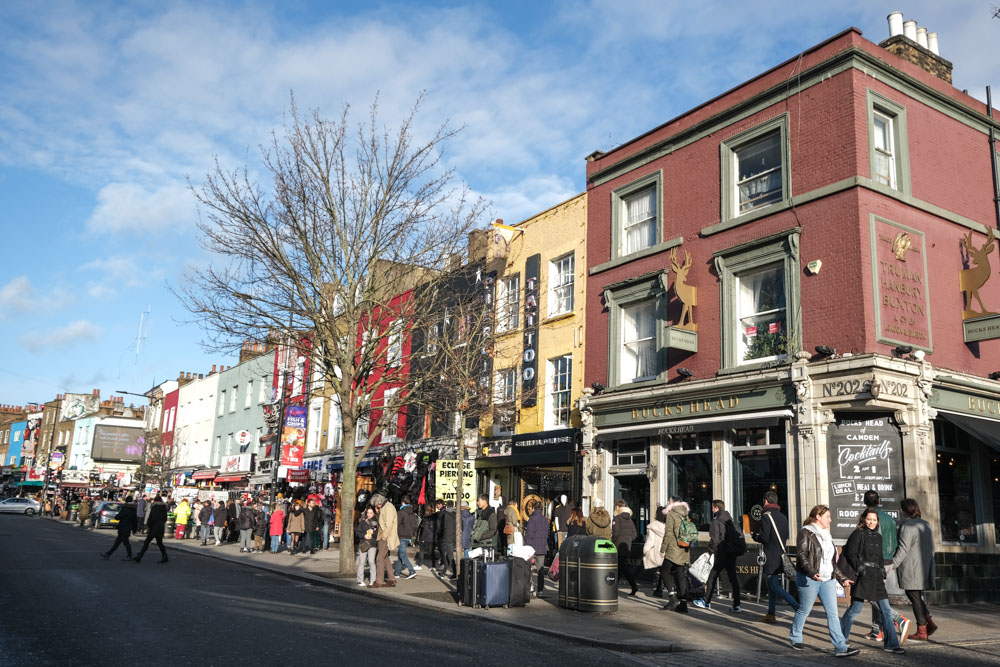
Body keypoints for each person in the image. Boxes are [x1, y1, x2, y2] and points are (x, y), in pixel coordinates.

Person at [788, 504, 859, 657]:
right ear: (818, 517)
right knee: (804, 609)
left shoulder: (827, 535)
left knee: (833, 613)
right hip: (810, 578)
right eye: (827, 517)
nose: (830, 520)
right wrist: (812, 572)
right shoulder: (806, 532)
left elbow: (831, 562)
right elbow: (801, 556)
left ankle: (840, 647)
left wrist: (842, 579)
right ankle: (795, 637)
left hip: (827, 580)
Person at [840, 508, 905, 653]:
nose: (871, 522)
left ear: (877, 521)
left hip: (876, 577)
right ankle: (841, 638)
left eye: (874, 520)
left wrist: (882, 570)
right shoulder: (858, 533)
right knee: (855, 609)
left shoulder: (878, 536)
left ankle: (891, 644)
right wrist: (861, 568)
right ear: (863, 519)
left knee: (886, 611)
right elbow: (851, 554)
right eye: (869, 519)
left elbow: (880, 557)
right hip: (863, 576)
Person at [861, 490, 910, 643]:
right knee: (877, 594)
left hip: (876, 562)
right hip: (889, 561)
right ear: (879, 501)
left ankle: (899, 619)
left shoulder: (870, 518)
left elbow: (872, 543)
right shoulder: (889, 519)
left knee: (872, 595)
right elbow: (895, 542)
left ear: (864, 502)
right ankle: (877, 631)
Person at [891, 498, 937, 641]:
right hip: (924, 566)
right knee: (917, 596)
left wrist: (893, 565)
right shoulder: (926, 524)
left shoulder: (907, 526)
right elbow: (932, 547)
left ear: (904, 511)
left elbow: (903, 549)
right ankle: (928, 621)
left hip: (911, 568)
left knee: (914, 598)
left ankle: (922, 630)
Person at [753, 491, 799, 623]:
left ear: (766, 501)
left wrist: (755, 537)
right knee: (771, 585)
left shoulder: (766, 516)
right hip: (780, 555)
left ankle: (797, 607)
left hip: (770, 555)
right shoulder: (783, 517)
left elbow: (764, 537)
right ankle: (771, 613)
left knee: (774, 585)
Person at [693, 500, 741, 612]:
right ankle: (737, 605)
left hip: (720, 553)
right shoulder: (730, 520)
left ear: (716, 508)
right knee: (733, 579)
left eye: (713, 507)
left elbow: (714, 540)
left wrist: (710, 551)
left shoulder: (716, 521)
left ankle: (706, 601)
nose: (712, 509)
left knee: (712, 577)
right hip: (731, 553)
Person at [660, 497, 692, 613]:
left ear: (673, 503)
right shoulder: (685, 513)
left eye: (669, 501)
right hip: (684, 549)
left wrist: (662, 549)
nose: (668, 503)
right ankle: (683, 604)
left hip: (673, 549)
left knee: (664, 571)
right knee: (680, 575)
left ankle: (672, 597)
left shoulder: (671, 514)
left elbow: (668, 534)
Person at [612, 498, 639, 596]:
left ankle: (634, 585)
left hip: (618, 546)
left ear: (618, 507)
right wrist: (628, 540)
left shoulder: (617, 518)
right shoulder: (630, 520)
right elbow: (634, 534)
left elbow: (615, 533)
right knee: (619, 567)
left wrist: (614, 541)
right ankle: (614, 587)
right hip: (627, 546)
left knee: (622, 567)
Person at [372, 493, 398, 587]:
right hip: (383, 536)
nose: (376, 506)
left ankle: (379, 581)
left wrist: (384, 537)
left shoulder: (388, 508)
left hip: (386, 537)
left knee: (379, 558)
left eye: (376, 504)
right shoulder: (386, 507)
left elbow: (388, 525)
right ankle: (391, 579)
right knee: (385, 558)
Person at [524, 499, 549, 597]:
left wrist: (526, 546)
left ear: (533, 508)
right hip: (542, 547)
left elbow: (530, 534)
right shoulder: (544, 519)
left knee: (528, 568)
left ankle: (529, 587)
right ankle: (540, 590)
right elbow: (546, 533)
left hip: (532, 547)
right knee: (540, 569)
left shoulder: (532, 519)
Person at [101, 495, 138, 561]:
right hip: (128, 528)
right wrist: (134, 530)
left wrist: (118, 516)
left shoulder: (125, 509)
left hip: (123, 527)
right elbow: (135, 521)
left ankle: (129, 555)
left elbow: (117, 517)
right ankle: (108, 554)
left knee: (125, 543)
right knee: (118, 543)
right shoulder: (134, 510)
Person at [134, 495, 168, 564]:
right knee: (159, 543)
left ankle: (140, 556)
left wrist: (148, 525)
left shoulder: (154, 508)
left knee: (147, 542)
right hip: (160, 527)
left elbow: (152, 518)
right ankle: (165, 556)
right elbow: (165, 519)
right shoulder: (164, 508)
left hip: (154, 527)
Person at [643, 505, 667, 597]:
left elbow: (651, 540)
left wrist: (645, 549)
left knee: (657, 571)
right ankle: (663, 588)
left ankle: (658, 590)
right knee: (664, 571)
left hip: (656, 552)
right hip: (665, 552)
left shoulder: (653, 526)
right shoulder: (667, 526)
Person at [394, 496, 419, 580]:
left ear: (402, 502)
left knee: (402, 554)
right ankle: (397, 573)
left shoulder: (401, 512)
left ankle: (411, 570)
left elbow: (396, 524)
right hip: (409, 536)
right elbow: (415, 525)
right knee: (400, 554)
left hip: (401, 535)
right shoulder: (412, 513)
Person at [356, 507, 379, 586]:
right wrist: (364, 535)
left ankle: (373, 580)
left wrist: (373, 532)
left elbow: (378, 535)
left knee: (371, 561)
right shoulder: (362, 522)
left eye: (371, 513)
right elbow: (358, 532)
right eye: (368, 513)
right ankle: (360, 580)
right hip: (363, 543)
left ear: (374, 514)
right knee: (361, 562)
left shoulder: (375, 523)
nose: (369, 515)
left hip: (372, 544)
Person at [437, 500, 458, 579]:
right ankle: (443, 572)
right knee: (448, 555)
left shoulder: (444, 515)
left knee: (450, 556)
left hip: (447, 537)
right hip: (455, 538)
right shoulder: (457, 514)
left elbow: (441, 527)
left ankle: (455, 573)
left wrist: (441, 533)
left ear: (446, 506)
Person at [417, 504, 438, 569]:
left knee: (422, 551)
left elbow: (425, 529)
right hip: (433, 537)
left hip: (426, 537)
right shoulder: (436, 518)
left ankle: (419, 564)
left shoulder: (426, 519)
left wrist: (422, 538)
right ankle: (433, 565)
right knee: (432, 552)